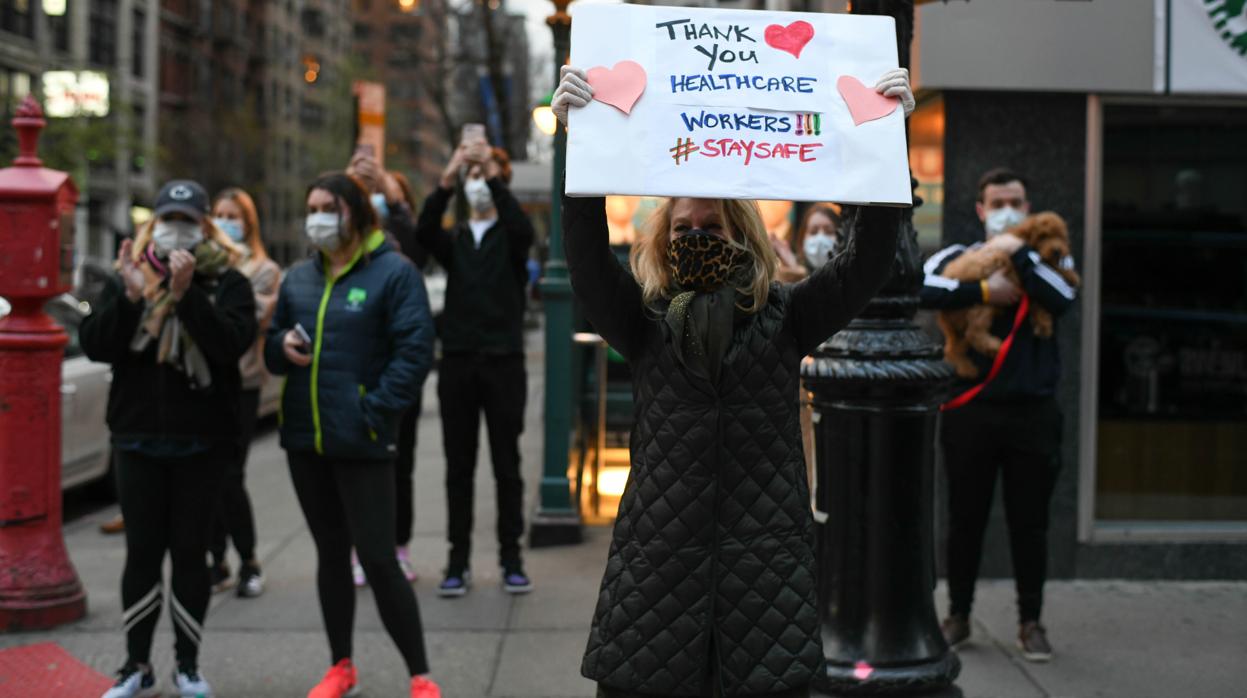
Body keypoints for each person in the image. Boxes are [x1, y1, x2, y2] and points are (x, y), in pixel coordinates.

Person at [552, 66, 914, 698]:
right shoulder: (642, 321)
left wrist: (888, 144)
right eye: (684, 230)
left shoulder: (790, 315)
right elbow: (585, 263)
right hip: (659, 570)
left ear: (742, 236)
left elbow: (868, 263)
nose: (697, 237)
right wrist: (578, 147)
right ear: (662, 243)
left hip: (762, 575)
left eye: (712, 229)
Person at [266, 173, 440, 698]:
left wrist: (375, 410)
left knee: (379, 559)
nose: (316, 216)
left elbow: (416, 352)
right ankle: (340, 666)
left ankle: (420, 676)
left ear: (355, 213)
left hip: (363, 440)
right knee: (330, 554)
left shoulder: (394, 273)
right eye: (311, 206)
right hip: (306, 440)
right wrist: (281, 349)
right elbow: (273, 345)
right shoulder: (298, 278)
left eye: (327, 207)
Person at [82, 180, 257, 698]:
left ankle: (188, 663)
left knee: (189, 554)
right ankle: (136, 664)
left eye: (186, 220)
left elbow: (230, 346)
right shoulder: (128, 277)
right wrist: (133, 298)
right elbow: (97, 345)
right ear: (151, 224)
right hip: (137, 439)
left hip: (201, 443)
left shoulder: (227, 282)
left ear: (204, 227)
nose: (174, 229)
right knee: (142, 554)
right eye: (166, 219)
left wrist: (186, 298)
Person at [920, 167, 1078, 663]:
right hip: (972, 411)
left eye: (1016, 200)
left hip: (1033, 413)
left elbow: (1064, 295)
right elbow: (924, 288)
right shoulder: (957, 253)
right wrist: (987, 292)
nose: (1007, 208)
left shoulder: (1047, 253)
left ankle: (1031, 621)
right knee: (963, 518)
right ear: (981, 209)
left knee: (1030, 523)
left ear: (1027, 209)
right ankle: (958, 616)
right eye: (998, 202)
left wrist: (1019, 253)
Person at [415, 142, 536, 597]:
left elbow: (522, 228)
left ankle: (511, 559)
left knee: (508, 465)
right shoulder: (457, 240)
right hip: (459, 362)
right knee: (458, 468)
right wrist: (448, 178)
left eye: (484, 178)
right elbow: (424, 229)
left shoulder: (511, 238)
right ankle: (457, 560)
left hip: (504, 362)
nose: (478, 185)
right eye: (473, 179)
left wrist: (494, 178)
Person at [345, 153, 429, 586]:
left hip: (397, 378)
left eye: (384, 195)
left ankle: (398, 547)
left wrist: (393, 199)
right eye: (368, 196)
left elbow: (416, 247)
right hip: (355, 372)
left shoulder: (402, 250)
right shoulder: (346, 245)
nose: (375, 201)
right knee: (357, 468)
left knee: (400, 466)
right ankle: (362, 549)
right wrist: (347, 186)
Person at [207, 187, 280, 599]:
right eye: (218, 213)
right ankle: (215, 559)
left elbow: (260, 312)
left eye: (232, 214)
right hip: (206, 382)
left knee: (231, 475)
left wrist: (227, 286)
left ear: (247, 221)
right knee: (208, 473)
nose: (224, 220)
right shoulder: (207, 262)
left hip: (244, 382)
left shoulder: (263, 267)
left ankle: (249, 559)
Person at [796, 204, 840, 273]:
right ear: (802, 239)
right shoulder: (792, 276)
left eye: (829, 231)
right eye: (813, 232)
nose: (820, 237)